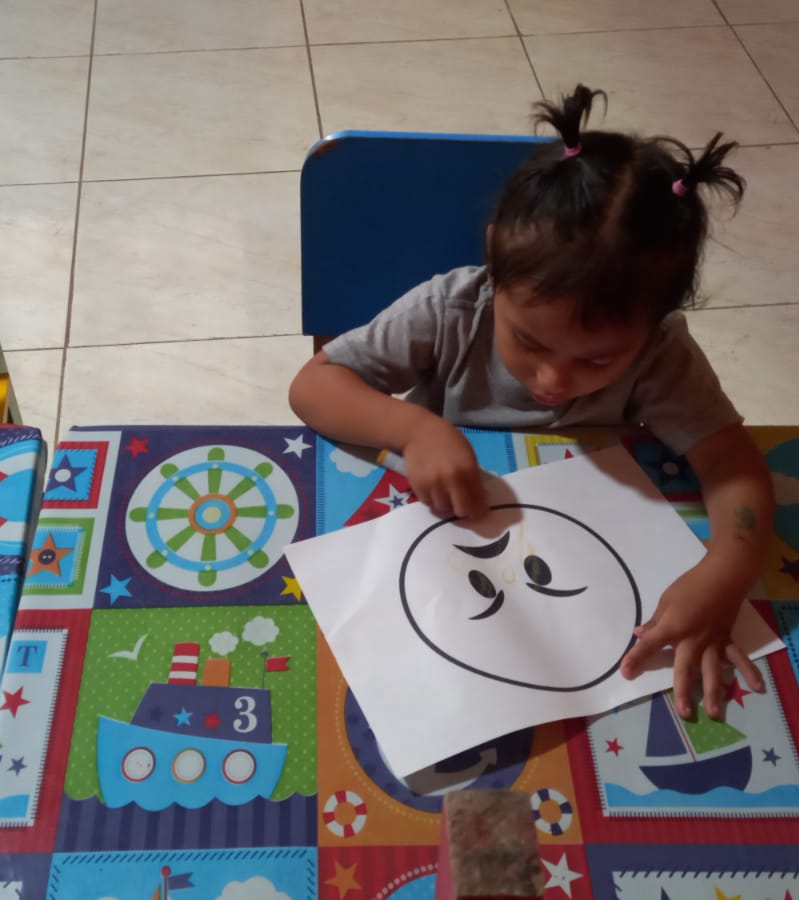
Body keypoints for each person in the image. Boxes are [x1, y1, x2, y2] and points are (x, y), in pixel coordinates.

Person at [289, 87, 772, 720]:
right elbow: (313, 386)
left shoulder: (661, 354)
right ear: (494, 261)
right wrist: (414, 430)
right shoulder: (451, 310)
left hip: (584, 562)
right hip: (441, 542)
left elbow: (733, 466)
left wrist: (726, 571)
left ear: (656, 322)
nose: (552, 380)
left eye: (597, 361)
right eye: (529, 341)